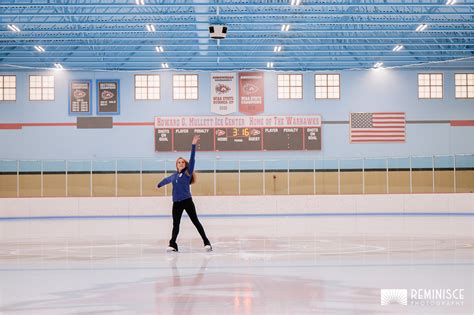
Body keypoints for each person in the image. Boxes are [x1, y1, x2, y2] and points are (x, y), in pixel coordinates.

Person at [157, 135, 212, 252]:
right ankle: (172, 244)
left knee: (195, 222)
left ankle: (207, 242)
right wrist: (159, 184)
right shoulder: (174, 176)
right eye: (179, 162)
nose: (181, 163)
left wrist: (193, 145)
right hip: (176, 203)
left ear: (185, 165)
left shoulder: (187, 173)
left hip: (187, 201)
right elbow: (166, 180)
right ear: (176, 165)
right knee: (175, 225)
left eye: (182, 162)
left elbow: (192, 159)